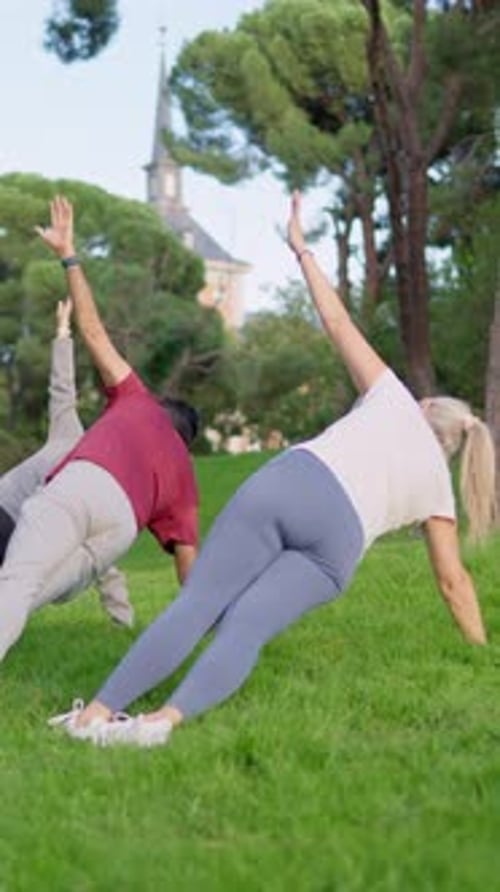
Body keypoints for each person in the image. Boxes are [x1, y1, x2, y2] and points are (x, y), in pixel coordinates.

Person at [49, 191, 495, 749]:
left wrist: (302, 250)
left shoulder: (397, 397)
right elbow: (453, 583)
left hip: (296, 484)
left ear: (430, 409)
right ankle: (161, 724)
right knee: (249, 627)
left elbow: (334, 320)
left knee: (200, 603)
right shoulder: (439, 492)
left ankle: (95, 715)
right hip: (339, 546)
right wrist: (479, 656)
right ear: (456, 447)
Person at [0, 195, 199, 664]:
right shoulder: (183, 480)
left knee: (16, 583)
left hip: (81, 487)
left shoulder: (136, 399)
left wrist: (69, 255)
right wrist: (201, 628)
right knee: (24, 593)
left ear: (161, 409)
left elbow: (95, 333)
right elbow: (188, 568)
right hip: (118, 530)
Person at [0, 298, 134, 628]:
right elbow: (62, 387)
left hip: (23, 537)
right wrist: (62, 333)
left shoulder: (103, 484)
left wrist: (123, 621)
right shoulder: (70, 432)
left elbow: (104, 559)